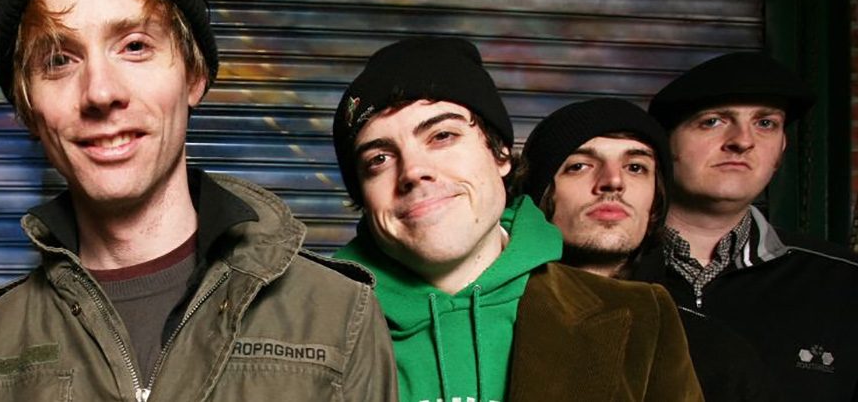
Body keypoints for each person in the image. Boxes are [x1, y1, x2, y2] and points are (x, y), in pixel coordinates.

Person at [0, 0, 396, 400]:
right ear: (28, 107)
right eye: (59, 60)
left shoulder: (336, 317)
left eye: (134, 46)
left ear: (193, 75)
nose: (101, 92)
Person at [331, 37, 702, 402]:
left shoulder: (641, 316)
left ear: (501, 155)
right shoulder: (310, 325)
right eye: (378, 159)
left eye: (442, 135)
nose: (413, 171)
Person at [521, 97, 779, 401]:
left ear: (656, 199)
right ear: (539, 190)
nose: (613, 181)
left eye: (635, 167)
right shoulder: (496, 321)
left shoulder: (714, 354)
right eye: (579, 166)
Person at [638, 52, 858, 400]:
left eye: (765, 123)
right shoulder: (596, 272)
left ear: (782, 148)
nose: (742, 141)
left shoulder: (844, 283)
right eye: (712, 121)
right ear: (664, 143)